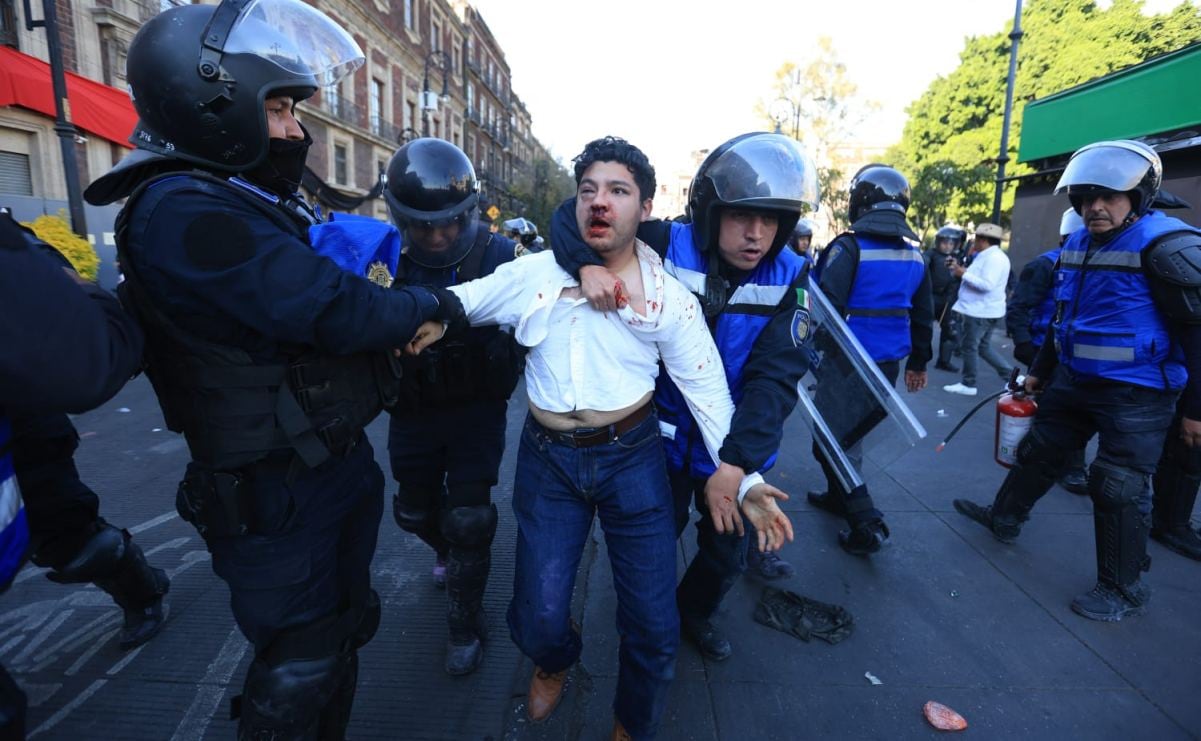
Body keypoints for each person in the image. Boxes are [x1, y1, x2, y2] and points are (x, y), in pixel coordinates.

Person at [81, 2, 463, 736]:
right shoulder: (181, 207)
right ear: (210, 104)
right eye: (281, 108)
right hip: (271, 489)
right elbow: (329, 305)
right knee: (299, 663)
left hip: (320, 466)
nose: (296, 130)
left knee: (343, 629)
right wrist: (431, 303)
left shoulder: (236, 197)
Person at [410, 136, 794, 740]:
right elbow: (467, 299)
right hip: (548, 462)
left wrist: (745, 476)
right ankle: (555, 657)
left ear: (644, 208)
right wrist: (428, 312)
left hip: (633, 457)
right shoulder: (535, 272)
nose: (599, 203)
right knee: (538, 615)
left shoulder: (669, 295)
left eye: (617, 191)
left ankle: (631, 724)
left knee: (652, 623)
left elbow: (709, 392)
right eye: (588, 190)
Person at [548, 132, 816, 660]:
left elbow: (775, 381)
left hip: (732, 445)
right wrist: (587, 263)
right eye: (742, 216)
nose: (756, 234)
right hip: (658, 438)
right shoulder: (664, 242)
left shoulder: (790, 277)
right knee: (649, 542)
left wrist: (736, 466)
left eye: (772, 220)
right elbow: (568, 215)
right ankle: (644, 616)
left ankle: (691, 613)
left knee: (728, 551)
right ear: (711, 211)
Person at [953, 139, 1201, 621]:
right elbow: (1062, 319)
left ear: (1139, 197)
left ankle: (1123, 589)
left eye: (1108, 197)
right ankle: (1004, 518)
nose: (1095, 207)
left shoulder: (1168, 244)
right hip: (1074, 380)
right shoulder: (1078, 245)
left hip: (1139, 392)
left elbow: (1197, 332)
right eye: (1087, 198)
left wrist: (1196, 410)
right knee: (1038, 452)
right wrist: (1039, 375)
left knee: (1117, 485)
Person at [0, 207, 148, 741]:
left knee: (74, 540)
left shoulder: (17, 248)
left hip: (22, 434)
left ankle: (141, 590)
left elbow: (94, 357)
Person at [382, 138, 523, 675]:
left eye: (449, 223)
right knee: (412, 511)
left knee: (469, 519)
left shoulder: (502, 255)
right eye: (423, 226)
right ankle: (446, 550)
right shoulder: (382, 258)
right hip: (413, 410)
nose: (438, 236)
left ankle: (464, 621)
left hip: (475, 413)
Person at [808, 164, 933, 555]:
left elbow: (824, 309)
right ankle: (836, 495)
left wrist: (811, 355)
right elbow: (923, 316)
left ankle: (865, 522)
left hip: (846, 363)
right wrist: (919, 364)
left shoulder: (848, 248)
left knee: (830, 442)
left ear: (859, 204)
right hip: (888, 366)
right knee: (850, 435)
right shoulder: (916, 258)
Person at [1005, 208, 1089, 494]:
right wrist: (1025, 345)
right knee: (1052, 415)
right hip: (1044, 350)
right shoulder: (1045, 265)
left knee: (1073, 413)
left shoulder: (1096, 265)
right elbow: (1019, 307)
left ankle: (1068, 467)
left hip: (1077, 356)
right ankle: (1041, 468)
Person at [942, 223, 1012, 396]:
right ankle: (1011, 377)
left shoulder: (993, 258)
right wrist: (959, 270)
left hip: (980, 311)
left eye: (976, 239)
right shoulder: (989, 256)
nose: (974, 242)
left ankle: (969, 383)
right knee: (982, 347)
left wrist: (962, 273)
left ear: (983, 240)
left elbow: (987, 285)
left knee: (970, 347)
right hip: (985, 310)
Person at [928, 225, 966, 373]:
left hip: (948, 300)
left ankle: (944, 361)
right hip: (931, 297)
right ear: (938, 242)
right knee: (923, 328)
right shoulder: (931, 255)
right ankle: (918, 356)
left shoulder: (958, 259)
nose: (947, 246)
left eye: (951, 243)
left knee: (949, 331)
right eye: (945, 242)